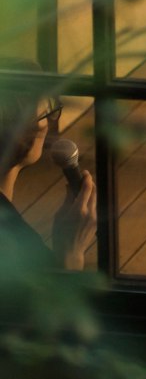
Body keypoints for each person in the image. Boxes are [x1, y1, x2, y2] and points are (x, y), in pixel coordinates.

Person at [0, 58, 97, 269]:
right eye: (46, 112)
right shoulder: (14, 243)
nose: (48, 123)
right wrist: (71, 253)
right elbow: (54, 301)